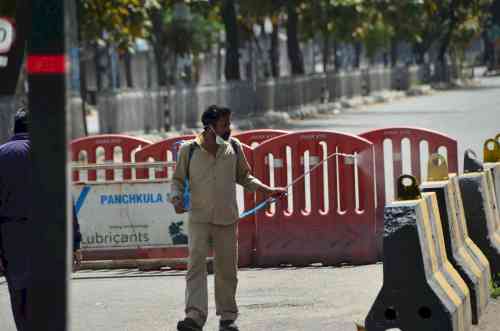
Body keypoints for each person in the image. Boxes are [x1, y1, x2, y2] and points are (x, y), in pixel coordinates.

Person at [171, 105, 286, 331]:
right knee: (196, 267)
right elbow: (177, 180)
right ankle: (194, 316)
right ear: (210, 127)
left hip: (226, 219)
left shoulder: (234, 147)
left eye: (229, 124)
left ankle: (227, 317)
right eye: (224, 125)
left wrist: (268, 190)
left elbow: (245, 177)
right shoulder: (189, 150)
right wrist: (176, 198)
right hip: (199, 219)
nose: (229, 129)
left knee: (227, 270)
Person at [0, 107, 82, 330]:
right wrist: (74, 242)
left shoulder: (2, 154)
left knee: (20, 299)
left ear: (13, 128)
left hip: (13, 238)